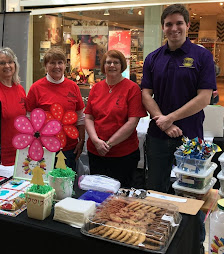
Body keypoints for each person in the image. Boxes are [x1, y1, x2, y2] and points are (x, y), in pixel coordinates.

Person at [141, 5, 216, 254]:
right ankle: (156, 241)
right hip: (158, 138)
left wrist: (170, 118)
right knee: (157, 192)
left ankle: (193, 246)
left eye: (179, 23)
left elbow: (204, 97)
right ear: (163, 27)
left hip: (191, 144)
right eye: (169, 24)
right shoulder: (153, 58)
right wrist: (160, 119)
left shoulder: (202, 56)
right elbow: (145, 93)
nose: (174, 28)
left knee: (191, 196)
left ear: (186, 25)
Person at [84, 50, 147, 188]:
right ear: (103, 66)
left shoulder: (132, 88)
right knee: (97, 194)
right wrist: (96, 141)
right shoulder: (96, 88)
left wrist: (108, 144)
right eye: (108, 62)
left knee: (121, 198)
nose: (112, 65)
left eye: (116, 62)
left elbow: (132, 122)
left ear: (122, 65)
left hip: (123, 154)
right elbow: (88, 117)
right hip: (96, 152)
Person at [26, 47, 85, 172]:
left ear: (65, 65)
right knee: (43, 186)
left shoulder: (73, 87)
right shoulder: (36, 88)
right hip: (44, 149)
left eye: (60, 62)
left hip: (69, 149)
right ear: (46, 66)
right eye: (52, 63)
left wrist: (82, 141)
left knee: (66, 187)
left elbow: (80, 118)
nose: (56, 66)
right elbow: (28, 120)